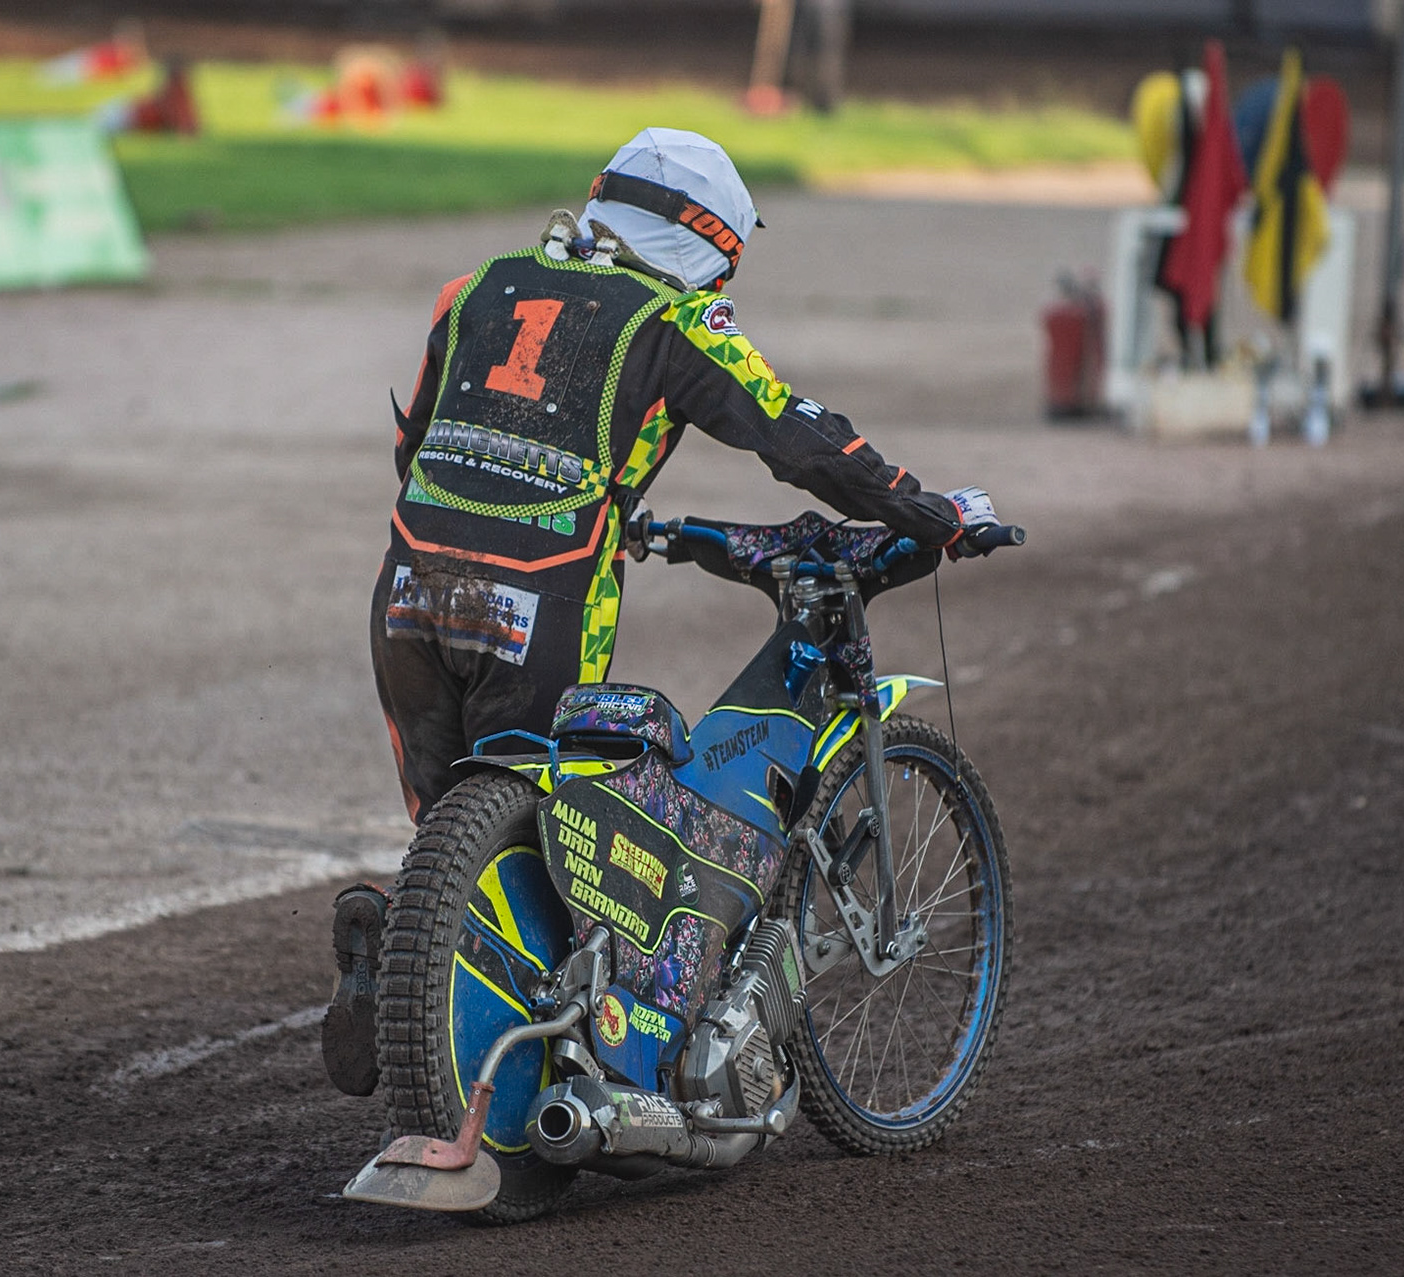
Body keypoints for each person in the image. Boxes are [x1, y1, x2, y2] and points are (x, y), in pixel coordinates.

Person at [320, 127, 1002, 1096]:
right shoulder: (672, 320)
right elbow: (803, 441)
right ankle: (579, 1077)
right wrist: (928, 511)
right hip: (538, 603)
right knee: (547, 842)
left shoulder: (475, 287)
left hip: (407, 597)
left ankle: (395, 944)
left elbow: (416, 445)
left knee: (454, 847)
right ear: (708, 247)